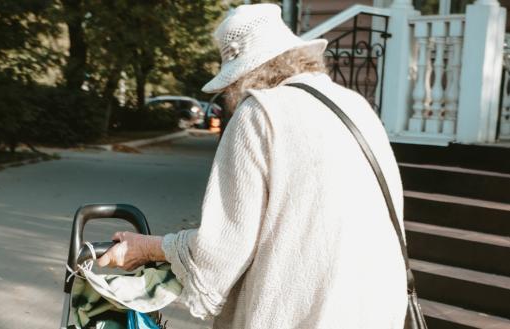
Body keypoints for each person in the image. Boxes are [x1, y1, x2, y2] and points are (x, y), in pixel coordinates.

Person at [98, 4, 408, 328]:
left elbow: (222, 250)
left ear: (239, 76)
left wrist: (148, 249)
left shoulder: (260, 113)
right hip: (376, 308)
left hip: (306, 317)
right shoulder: (355, 105)